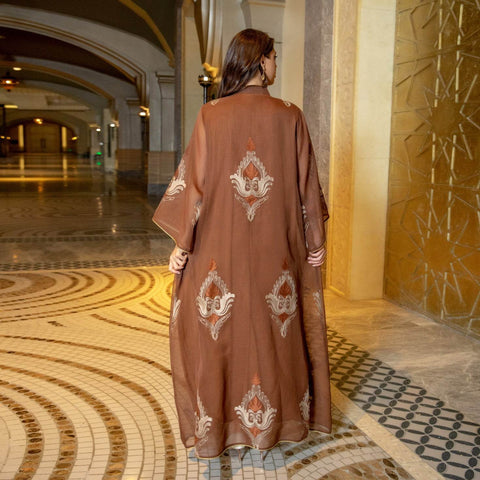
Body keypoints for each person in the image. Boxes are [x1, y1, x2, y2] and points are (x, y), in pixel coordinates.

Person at [153, 28, 331, 460]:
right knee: (276, 335)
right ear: (261, 61)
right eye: (274, 57)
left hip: (219, 251)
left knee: (220, 337)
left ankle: (222, 429)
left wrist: (182, 245)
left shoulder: (211, 115)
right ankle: (280, 423)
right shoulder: (290, 115)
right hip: (278, 253)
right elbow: (307, 186)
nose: (276, 64)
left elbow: (194, 187)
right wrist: (315, 239)